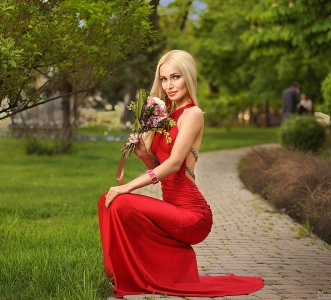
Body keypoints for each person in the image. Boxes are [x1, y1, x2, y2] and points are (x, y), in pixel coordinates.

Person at [97, 50, 264, 298]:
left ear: (188, 76)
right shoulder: (165, 118)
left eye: (175, 77)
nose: (169, 85)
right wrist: (144, 154)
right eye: (164, 79)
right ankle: (130, 272)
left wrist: (127, 186)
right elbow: (160, 166)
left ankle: (128, 275)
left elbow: (175, 165)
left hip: (193, 215)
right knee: (107, 201)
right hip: (172, 207)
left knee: (120, 201)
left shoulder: (192, 114)